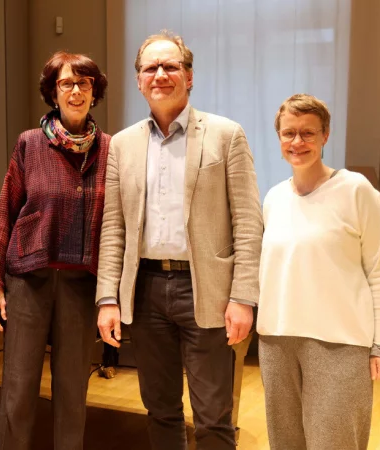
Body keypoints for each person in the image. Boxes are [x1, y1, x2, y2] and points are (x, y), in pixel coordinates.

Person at [95, 31, 263, 450]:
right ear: (138, 80)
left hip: (206, 291)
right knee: (161, 410)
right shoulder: (122, 145)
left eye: (171, 66)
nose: (161, 75)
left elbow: (248, 221)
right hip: (146, 291)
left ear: (189, 76)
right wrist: (107, 298)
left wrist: (244, 296)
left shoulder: (226, 135)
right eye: (151, 67)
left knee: (213, 416)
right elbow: (113, 227)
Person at [0, 51, 110, 450]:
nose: (75, 91)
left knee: (73, 392)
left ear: (93, 92)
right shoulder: (29, 144)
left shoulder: (109, 150)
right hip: (28, 282)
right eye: (66, 83)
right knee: (18, 390)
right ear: (53, 92)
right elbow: (5, 213)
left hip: (80, 286)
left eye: (83, 83)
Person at [257, 93, 380, 450]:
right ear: (279, 137)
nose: (297, 142)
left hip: (340, 343)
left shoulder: (356, 190)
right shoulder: (273, 198)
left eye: (308, 133)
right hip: (277, 342)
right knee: (285, 444)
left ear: (325, 136)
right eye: (289, 133)